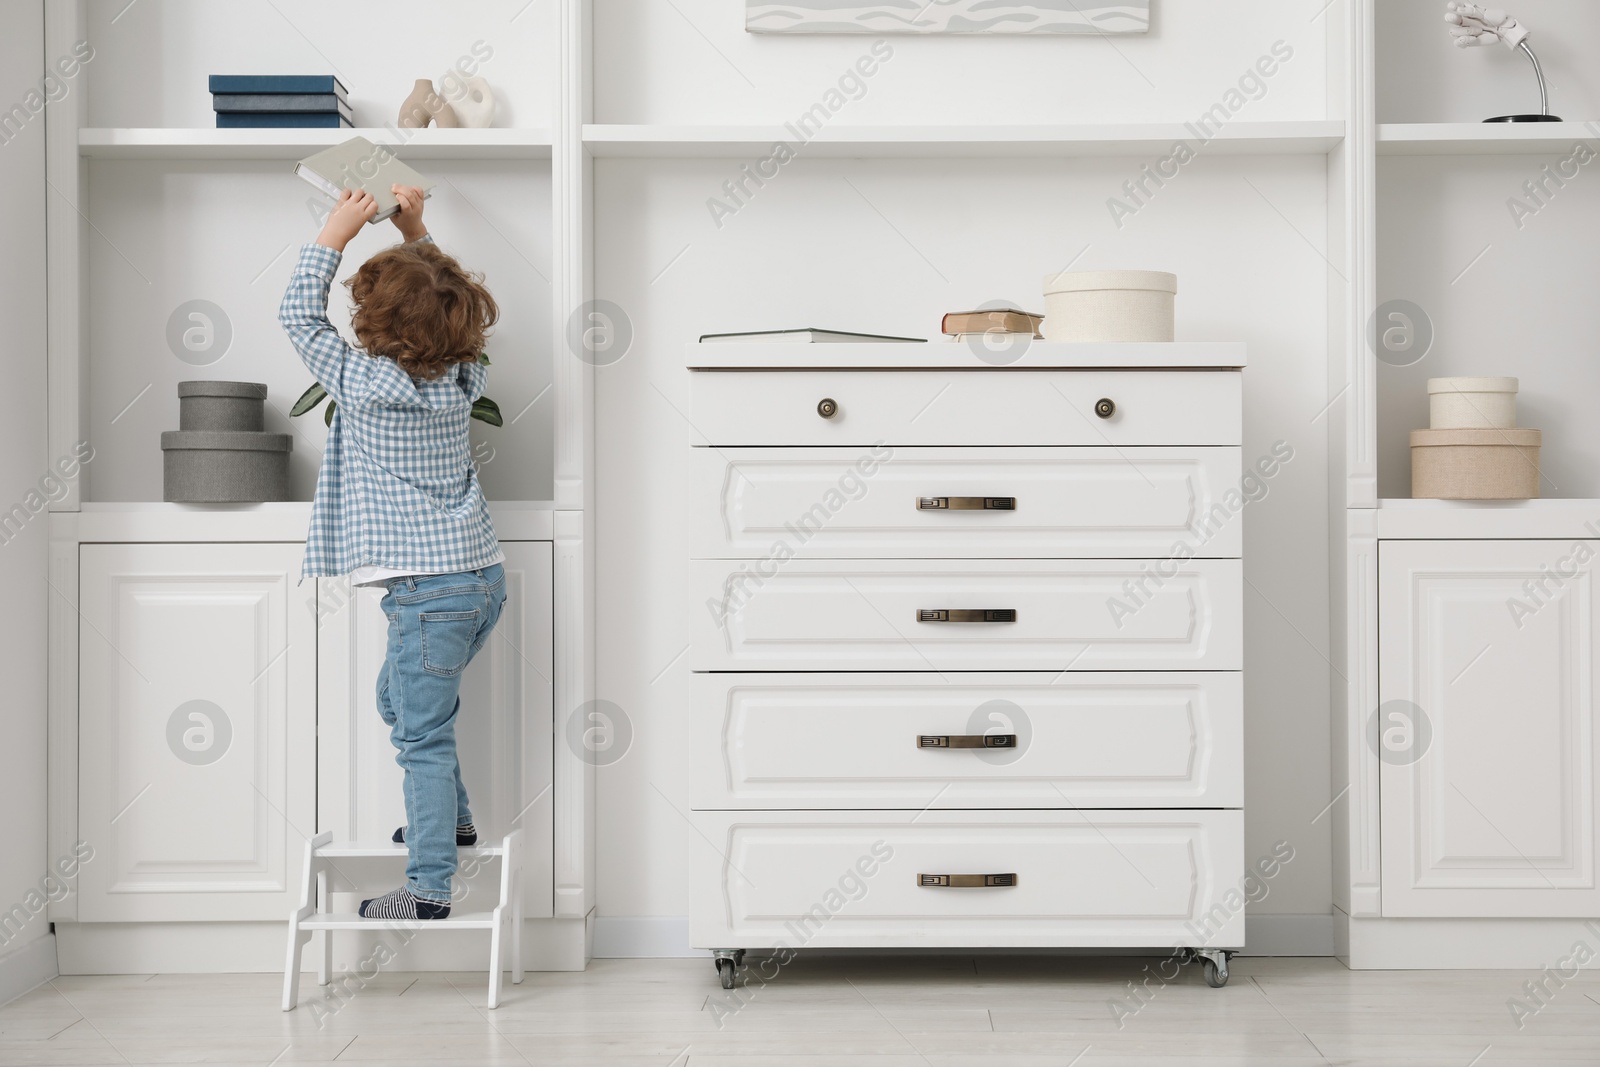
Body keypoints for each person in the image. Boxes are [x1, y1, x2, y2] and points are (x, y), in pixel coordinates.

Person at [280, 182, 504, 920]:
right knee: (401, 704)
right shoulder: (463, 376)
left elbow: (295, 315)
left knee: (421, 738)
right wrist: (413, 229)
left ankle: (430, 885)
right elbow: (439, 293)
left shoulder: (363, 379)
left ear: (374, 324)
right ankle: (456, 819)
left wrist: (334, 232)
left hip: (426, 592)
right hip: (478, 579)